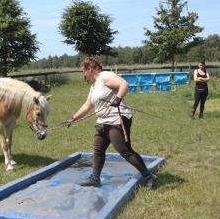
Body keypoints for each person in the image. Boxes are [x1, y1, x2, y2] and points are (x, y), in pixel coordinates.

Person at [63, 57, 155, 188]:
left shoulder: (105, 76)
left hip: (117, 119)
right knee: (98, 150)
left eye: (84, 71)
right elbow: (87, 105)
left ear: (90, 68)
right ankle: (95, 178)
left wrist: (118, 98)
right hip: (102, 121)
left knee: (124, 151)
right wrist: (73, 118)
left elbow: (124, 84)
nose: (84, 74)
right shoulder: (94, 86)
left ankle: (147, 176)